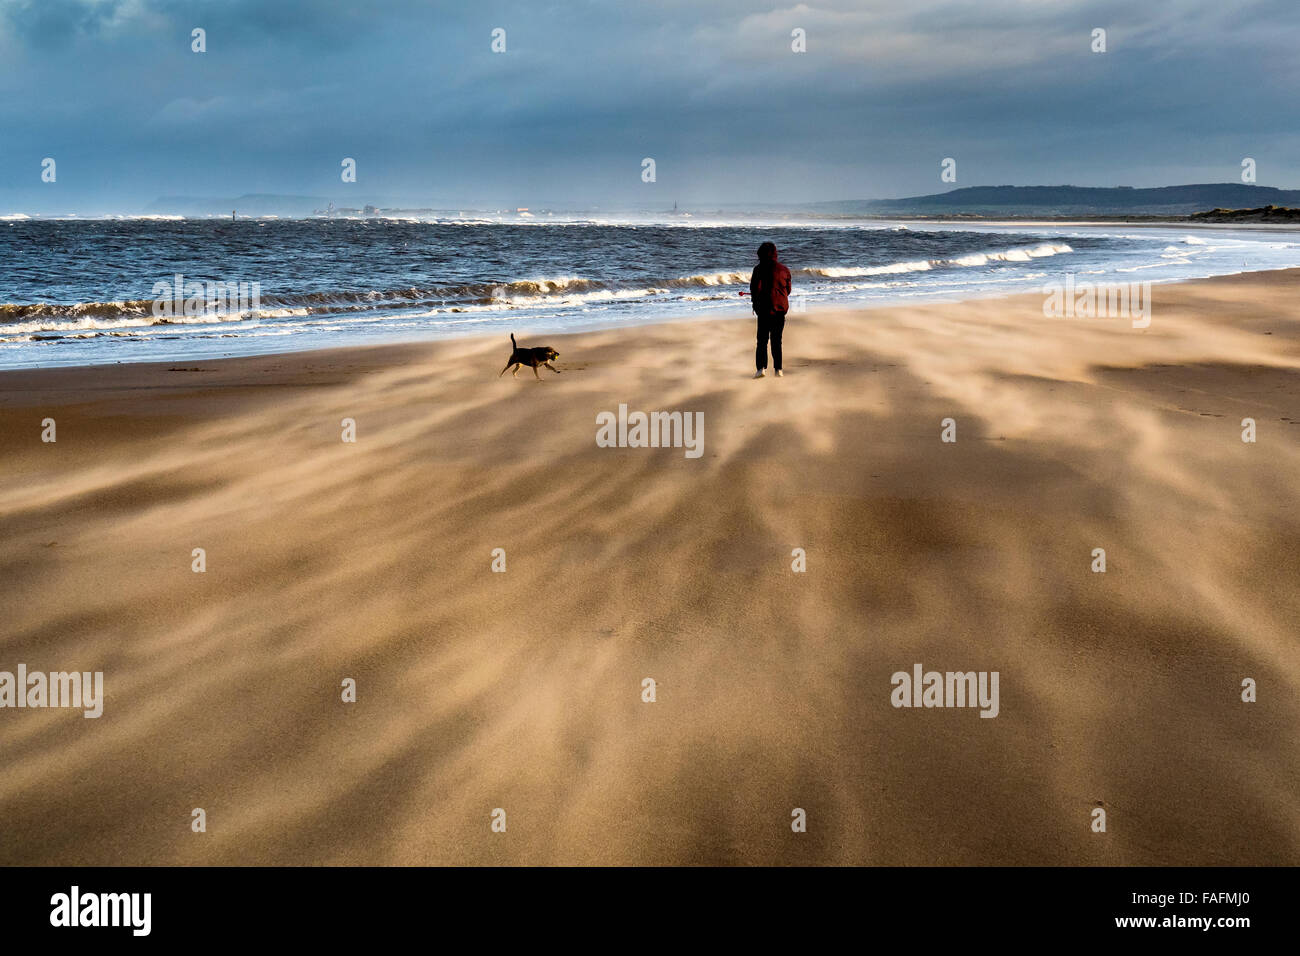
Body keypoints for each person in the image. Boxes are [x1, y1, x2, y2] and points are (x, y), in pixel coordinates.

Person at [749, 241, 791, 378]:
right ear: (775, 254)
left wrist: (756, 304)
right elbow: (788, 290)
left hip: (764, 310)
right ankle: (778, 369)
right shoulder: (784, 269)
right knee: (776, 340)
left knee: (762, 340)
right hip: (780, 309)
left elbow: (754, 290)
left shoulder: (758, 269)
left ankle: (761, 369)